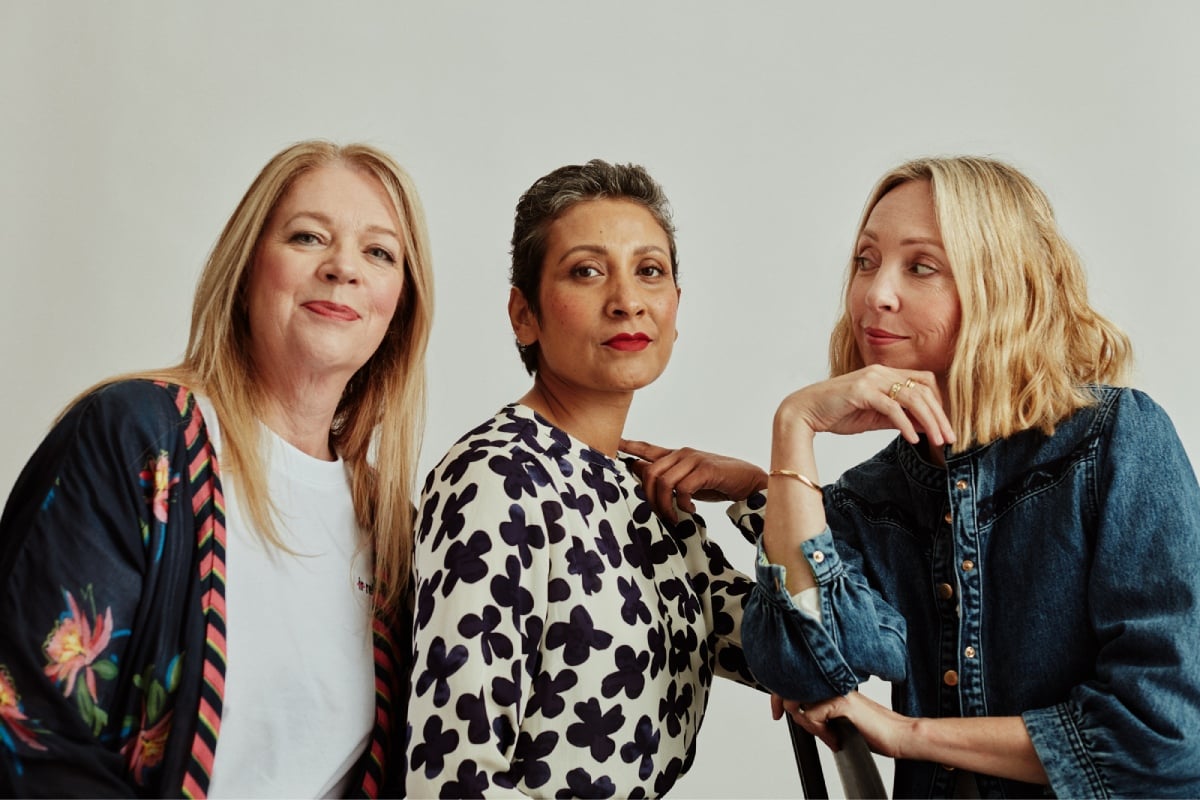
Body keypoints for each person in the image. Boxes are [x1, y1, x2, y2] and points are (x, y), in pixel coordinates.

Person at [633, 156, 1200, 797]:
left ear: (1000, 285)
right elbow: (801, 663)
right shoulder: (870, 501)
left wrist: (909, 734)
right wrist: (792, 431)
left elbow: (1164, 734)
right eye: (866, 260)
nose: (876, 293)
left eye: (921, 266)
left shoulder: (1117, 441)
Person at [0, 139, 434, 796]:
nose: (343, 267)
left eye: (379, 252)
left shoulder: (391, 528)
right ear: (249, 266)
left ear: (399, 306)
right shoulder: (138, 437)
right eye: (308, 236)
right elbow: (28, 729)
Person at [405, 159, 767, 798]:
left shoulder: (648, 497)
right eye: (587, 271)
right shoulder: (498, 479)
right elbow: (455, 777)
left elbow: (810, 656)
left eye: (649, 271)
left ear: (675, 308)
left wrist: (760, 488)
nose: (627, 300)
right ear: (525, 315)